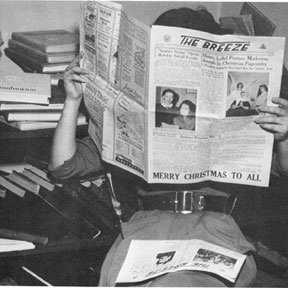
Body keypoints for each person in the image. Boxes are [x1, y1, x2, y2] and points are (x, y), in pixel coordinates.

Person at [48, 6, 288, 287]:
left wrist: (284, 138)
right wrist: (73, 100)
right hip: (146, 232)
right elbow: (62, 168)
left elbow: (282, 169)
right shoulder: (134, 115)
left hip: (215, 231)